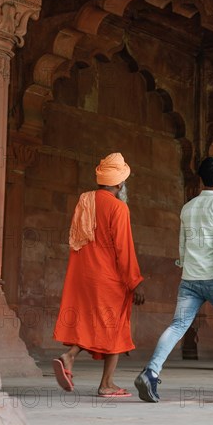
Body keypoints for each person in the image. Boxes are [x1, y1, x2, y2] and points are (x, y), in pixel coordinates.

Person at [134, 157, 213, 403]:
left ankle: (151, 372)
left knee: (178, 325)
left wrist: (187, 267)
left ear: (201, 179)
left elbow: (183, 245)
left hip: (190, 278)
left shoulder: (188, 207)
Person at [52, 152, 145, 397]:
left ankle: (69, 356)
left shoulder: (85, 200)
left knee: (93, 323)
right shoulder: (118, 208)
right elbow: (124, 249)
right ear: (120, 183)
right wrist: (134, 282)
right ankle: (106, 384)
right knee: (115, 326)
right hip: (109, 278)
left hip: (83, 275)